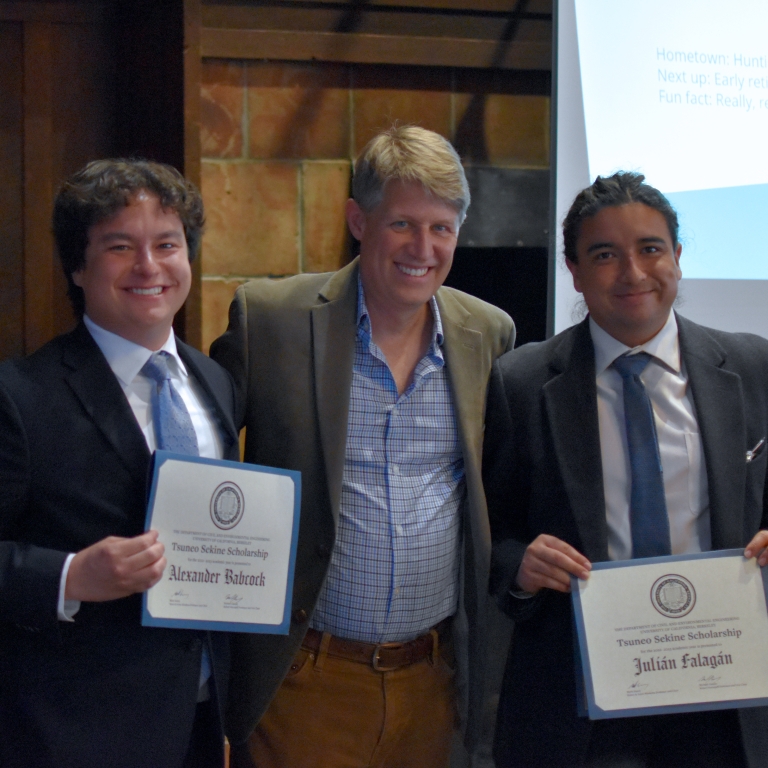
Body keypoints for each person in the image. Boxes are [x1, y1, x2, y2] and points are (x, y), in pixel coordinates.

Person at [211, 124, 515, 768]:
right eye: (403, 223)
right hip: (305, 682)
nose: (422, 248)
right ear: (358, 218)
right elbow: (197, 445)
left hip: (434, 687)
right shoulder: (271, 319)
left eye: (442, 228)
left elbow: (504, 487)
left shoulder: (487, 333)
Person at [483, 171, 768, 768]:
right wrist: (521, 564)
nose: (633, 273)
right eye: (605, 255)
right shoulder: (523, 382)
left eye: (650, 249)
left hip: (725, 694)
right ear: (575, 271)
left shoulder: (752, 364)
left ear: (679, 258)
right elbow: (492, 537)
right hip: (583, 700)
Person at [0, 159, 239, 768]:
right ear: (78, 267)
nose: (149, 267)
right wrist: (69, 576)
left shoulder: (214, 380)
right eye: (119, 246)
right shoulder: (22, 396)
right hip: (72, 734)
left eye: (167, 244)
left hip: (201, 720)